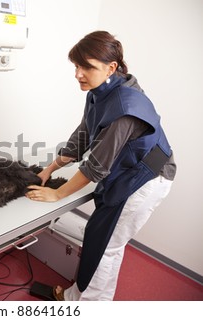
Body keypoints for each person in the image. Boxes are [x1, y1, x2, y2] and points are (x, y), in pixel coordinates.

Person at [26, 31, 176, 301]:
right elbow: (83, 135)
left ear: (111, 67)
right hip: (130, 169)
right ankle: (78, 297)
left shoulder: (125, 106)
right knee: (99, 237)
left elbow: (95, 167)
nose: (78, 74)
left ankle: (86, 305)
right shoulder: (101, 90)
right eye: (76, 66)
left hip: (148, 179)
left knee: (106, 245)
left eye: (87, 67)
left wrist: (58, 194)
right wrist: (50, 169)